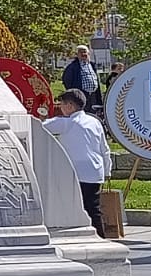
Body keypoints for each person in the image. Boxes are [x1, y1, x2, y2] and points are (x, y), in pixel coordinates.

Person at [46, 89, 112, 237]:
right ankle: (99, 236)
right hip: (95, 170)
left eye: (61, 104)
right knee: (92, 207)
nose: (60, 107)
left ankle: (97, 237)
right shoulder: (95, 121)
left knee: (84, 208)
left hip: (78, 171)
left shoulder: (66, 123)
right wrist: (107, 171)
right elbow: (105, 149)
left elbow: (40, 126)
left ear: (70, 106)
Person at [62, 45, 103, 112]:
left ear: (88, 53)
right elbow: (66, 80)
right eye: (81, 52)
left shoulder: (92, 65)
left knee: (93, 114)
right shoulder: (73, 66)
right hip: (81, 95)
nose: (83, 54)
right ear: (77, 55)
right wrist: (74, 94)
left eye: (85, 52)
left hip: (93, 96)